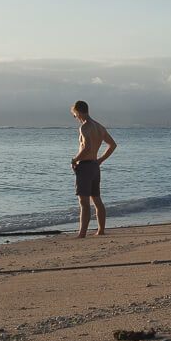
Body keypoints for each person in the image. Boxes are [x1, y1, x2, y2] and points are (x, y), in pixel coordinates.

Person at [70, 100, 117, 238]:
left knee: (84, 202)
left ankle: (82, 233)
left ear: (78, 112)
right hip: (95, 166)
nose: (76, 118)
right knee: (97, 199)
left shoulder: (85, 127)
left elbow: (87, 147)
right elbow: (112, 145)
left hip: (85, 166)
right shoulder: (99, 127)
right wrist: (100, 160)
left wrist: (75, 159)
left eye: (75, 115)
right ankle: (101, 230)